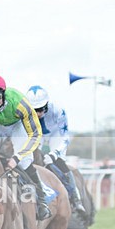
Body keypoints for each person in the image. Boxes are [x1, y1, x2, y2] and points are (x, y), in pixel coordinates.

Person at [0, 72, 51, 220]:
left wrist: (16, 158)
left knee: (24, 162)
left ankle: (41, 201)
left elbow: (35, 134)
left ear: (3, 94)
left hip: (17, 126)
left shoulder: (20, 103)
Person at [25, 85, 87, 215]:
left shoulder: (58, 111)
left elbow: (65, 137)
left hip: (55, 136)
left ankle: (75, 198)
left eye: (41, 109)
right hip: (38, 136)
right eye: (34, 109)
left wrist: (54, 154)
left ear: (47, 104)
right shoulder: (25, 113)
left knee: (58, 162)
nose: (38, 113)